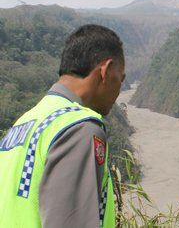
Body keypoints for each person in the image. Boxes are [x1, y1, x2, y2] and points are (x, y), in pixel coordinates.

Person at [0, 24, 126, 227]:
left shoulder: (26, 122)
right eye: (121, 78)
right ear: (106, 70)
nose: (119, 88)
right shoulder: (79, 129)